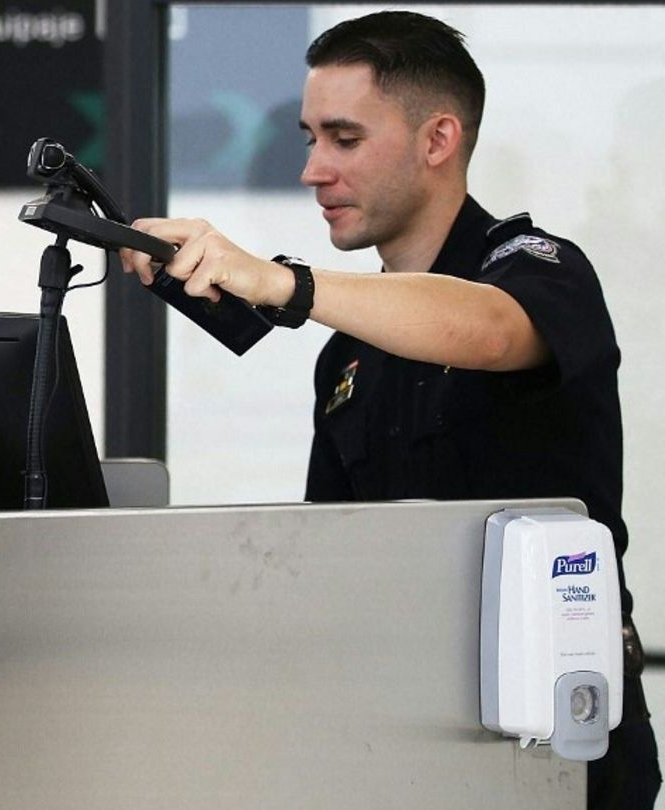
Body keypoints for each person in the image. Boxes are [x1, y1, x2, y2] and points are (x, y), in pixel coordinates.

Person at [121, 11, 660, 808]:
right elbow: (327, 559)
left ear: (438, 140)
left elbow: (481, 328)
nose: (312, 170)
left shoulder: (542, 271)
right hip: (396, 742)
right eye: (309, 138)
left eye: (343, 139)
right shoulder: (347, 356)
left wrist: (283, 284)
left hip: (550, 740)